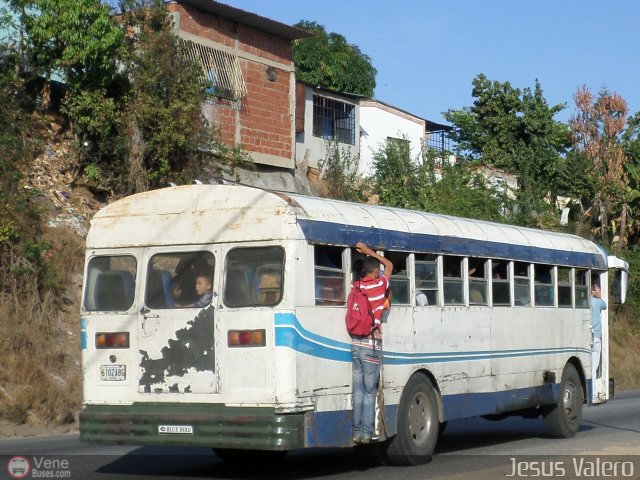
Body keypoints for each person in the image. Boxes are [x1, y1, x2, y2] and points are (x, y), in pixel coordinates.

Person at [350, 241, 393, 444]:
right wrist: (370, 251)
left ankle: (356, 431)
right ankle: (367, 433)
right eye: (378, 271)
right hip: (371, 345)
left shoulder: (356, 286)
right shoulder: (378, 286)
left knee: (357, 390)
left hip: (355, 343)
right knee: (369, 392)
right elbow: (390, 265)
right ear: (376, 272)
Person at [590, 282, 607, 401]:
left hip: (585, 335)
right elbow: (605, 305)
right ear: (594, 289)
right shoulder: (597, 302)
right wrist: (598, 294)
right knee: (594, 365)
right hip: (595, 336)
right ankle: (593, 391)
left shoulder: (584, 300)